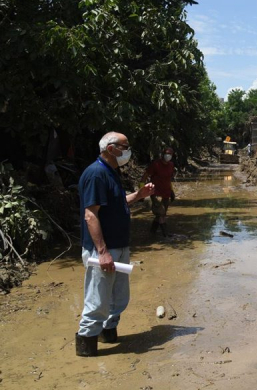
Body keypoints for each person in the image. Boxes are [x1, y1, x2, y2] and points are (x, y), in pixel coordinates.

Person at [76, 132, 154, 357]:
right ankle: (86, 345)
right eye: (125, 146)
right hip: (103, 250)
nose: (128, 151)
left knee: (118, 298)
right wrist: (102, 252)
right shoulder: (96, 174)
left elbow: (118, 202)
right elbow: (91, 215)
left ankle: (107, 333)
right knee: (97, 299)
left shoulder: (111, 172)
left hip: (119, 246)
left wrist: (139, 195)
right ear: (111, 149)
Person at [140, 147, 175, 237]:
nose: (168, 156)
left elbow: (169, 179)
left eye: (170, 154)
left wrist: (172, 191)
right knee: (161, 213)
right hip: (156, 193)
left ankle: (152, 233)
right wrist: (141, 190)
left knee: (160, 215)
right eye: (167, 153)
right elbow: (145, 176)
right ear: (163, 154)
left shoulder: (171, 165)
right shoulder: (155, 164)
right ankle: (166, 235)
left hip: (166, 193)